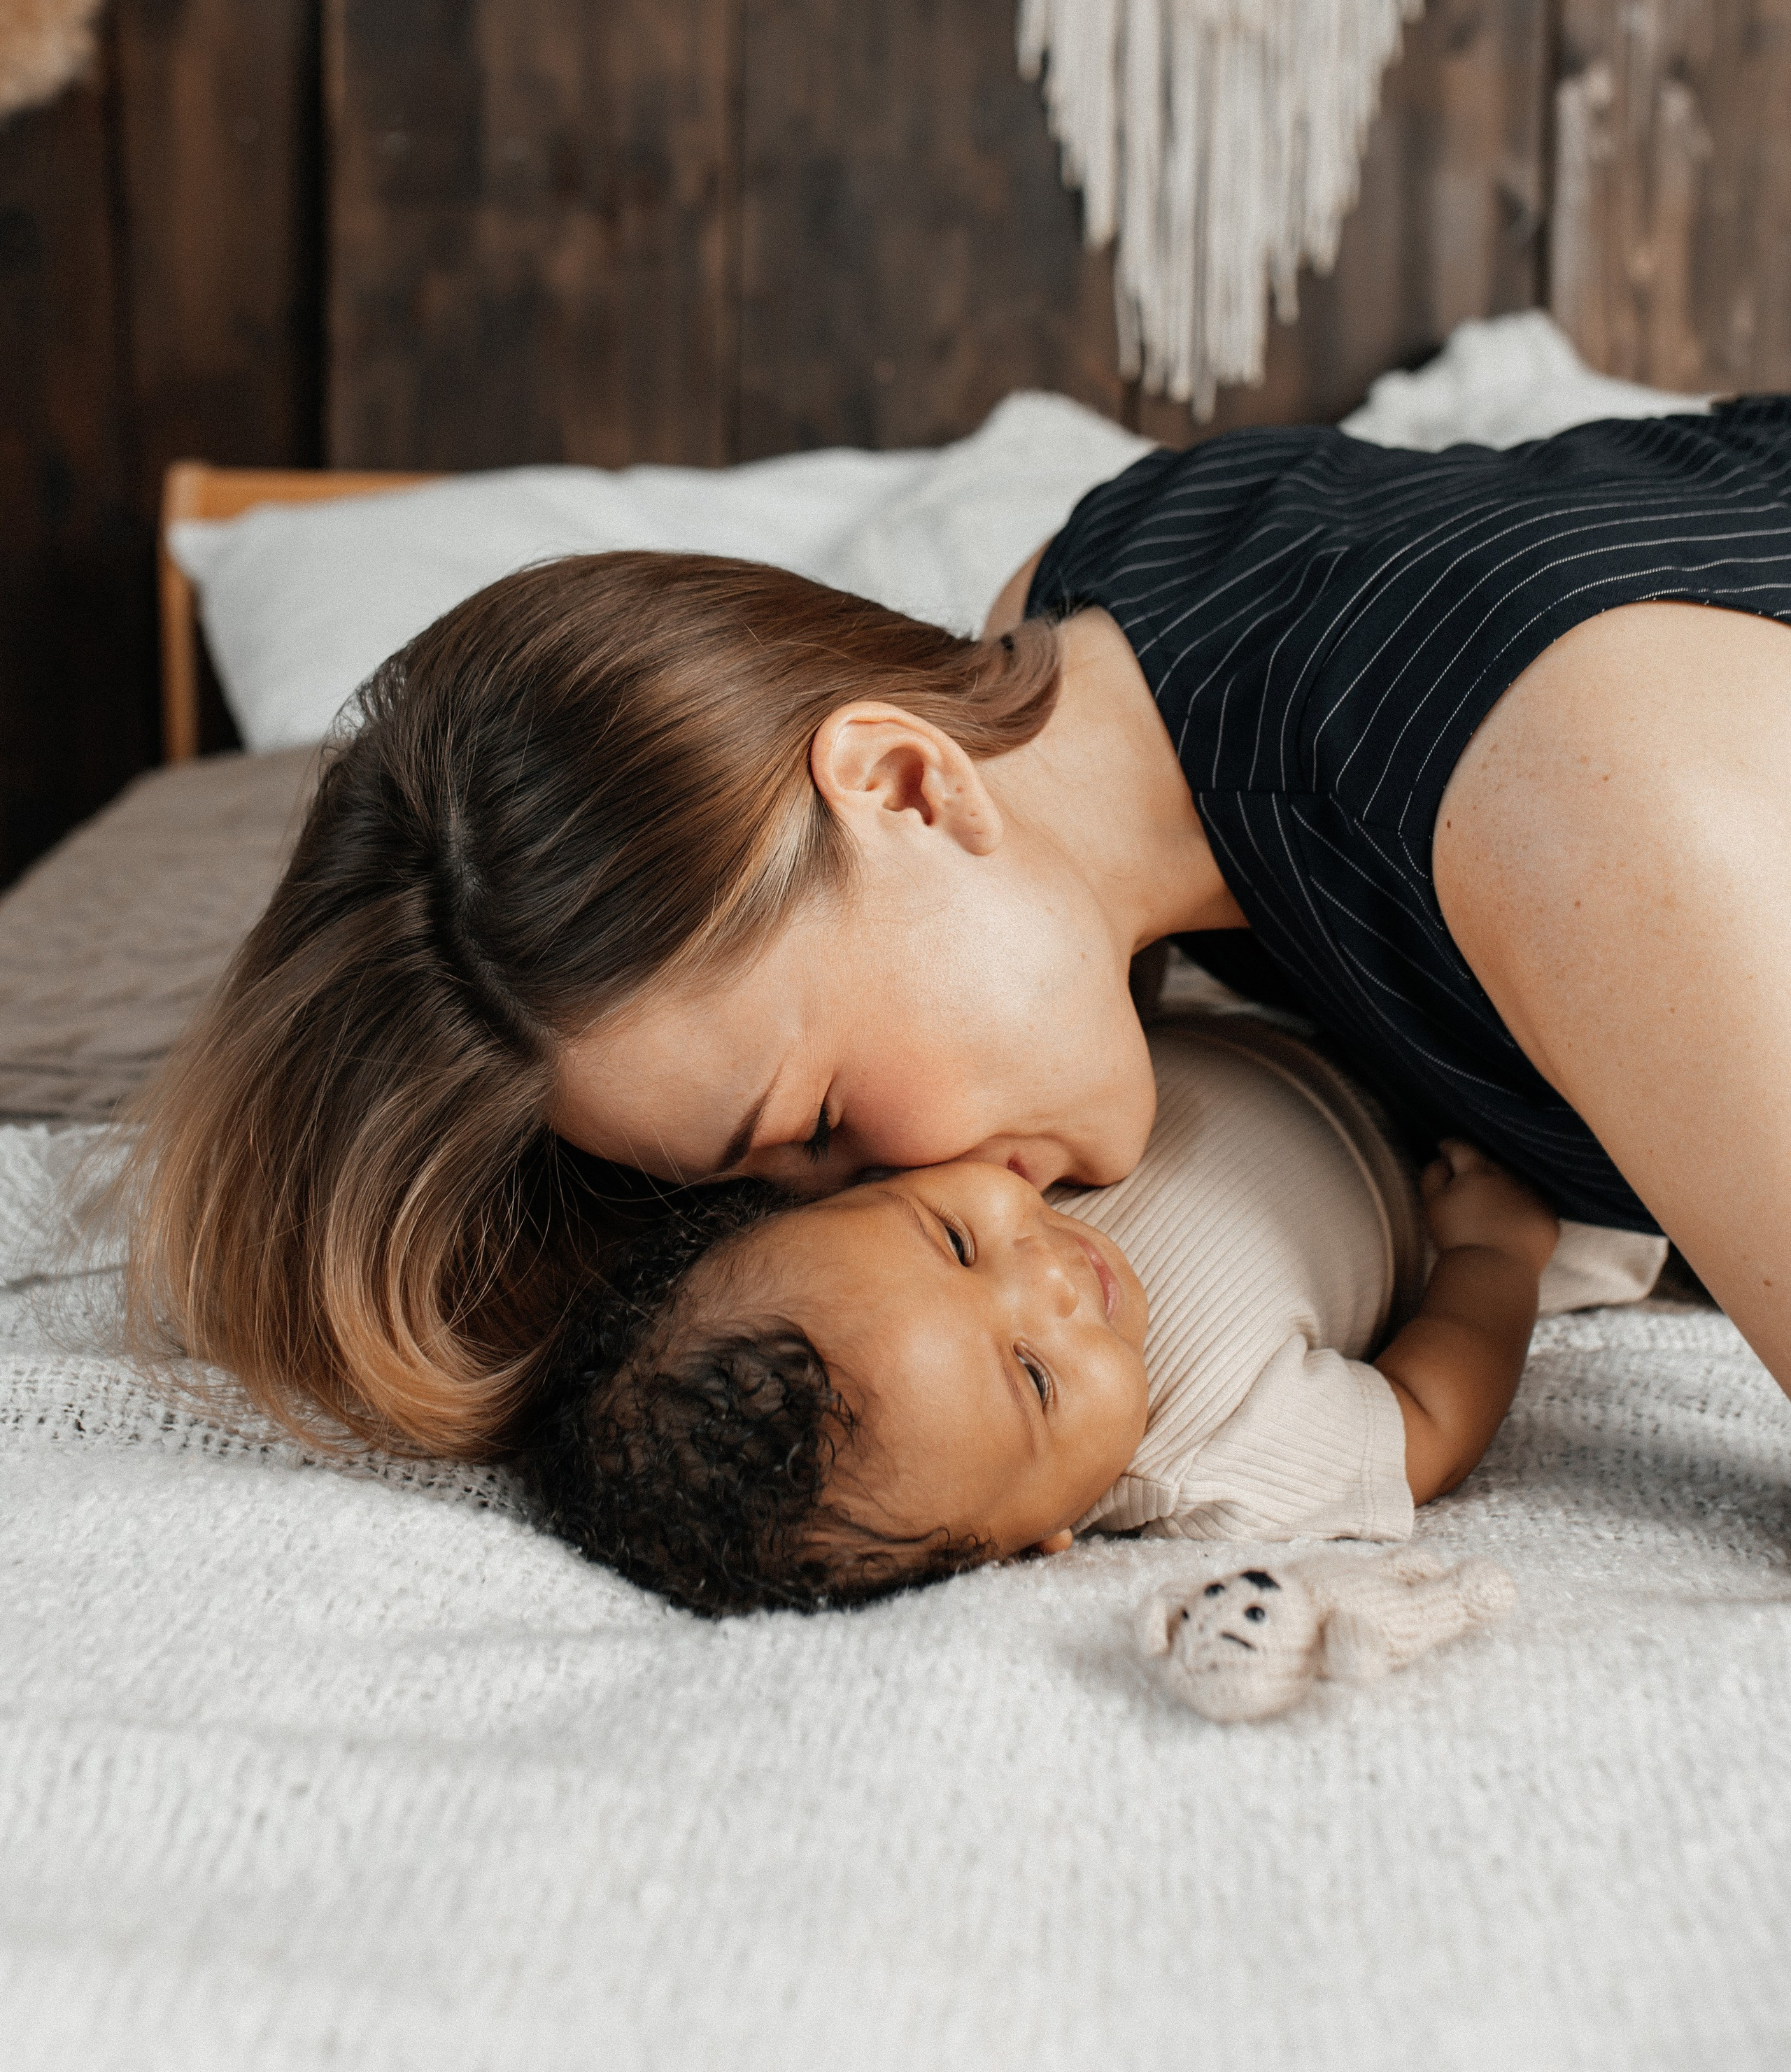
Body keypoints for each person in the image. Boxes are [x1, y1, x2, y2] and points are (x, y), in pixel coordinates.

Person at [122, 404, 1791, 1458]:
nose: (910, 1196)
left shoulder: (1572, 808)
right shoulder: (1087, 589)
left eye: (824, 1129)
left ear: (906, 787)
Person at [526, 1023, 1562, 1614]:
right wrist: (1492, 1258)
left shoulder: (932, 1136)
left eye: (954, 1241)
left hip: (1285, 989)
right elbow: (1427, 1418)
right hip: (1456, 1138)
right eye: (1032, 1376)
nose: (1051, 1284)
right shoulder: (1214, 1461)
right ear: (1031, 1545)